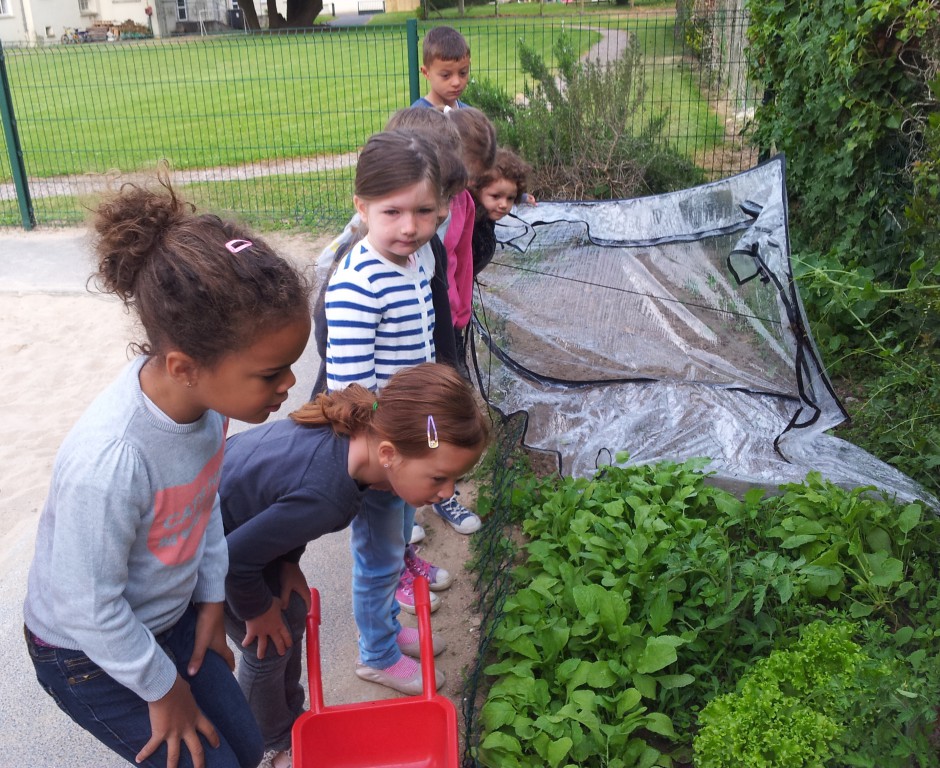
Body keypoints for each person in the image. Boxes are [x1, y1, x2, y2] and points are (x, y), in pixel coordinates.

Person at [22, 175, 312, 768]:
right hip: (86, 656)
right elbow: (88, 607)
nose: (288, 385)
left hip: (168, 617)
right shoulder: (112, 461)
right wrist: (163, 687)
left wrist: (209, 602)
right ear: (184, 365)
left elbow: (202, 507)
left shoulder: (205, 411)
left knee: (250, 746)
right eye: (270, 373)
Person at [220, 362, 490, 768]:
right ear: (388, 454)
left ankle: (286, 721)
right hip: (207, 551)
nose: (447, 492)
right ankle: (268, 742)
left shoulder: (354, 444)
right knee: (268, 644)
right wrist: (256, 611)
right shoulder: (328, 495)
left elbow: (281, 508)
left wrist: (289, 561)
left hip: (239, 533)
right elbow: (233, 558)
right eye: (438, 478)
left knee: (291, 615)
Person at [323, 129, 456, 694]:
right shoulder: (356, 285)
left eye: (424, 211)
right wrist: (394, 462)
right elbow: (351, 394)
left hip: (409, 438)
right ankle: (375, 652)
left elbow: (421, 351)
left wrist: (428, 440)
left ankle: (387, 629)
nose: (410, 227)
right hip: (380, 453)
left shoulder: (419, 256)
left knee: (401, 536)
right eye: (392, 211)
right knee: (377, 556)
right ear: (361, 207)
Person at [469, 146, 533, 277]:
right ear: (476, 190)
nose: (504, 205)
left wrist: (523, 197)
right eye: (496, 196)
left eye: (510, 198)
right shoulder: (466, 223)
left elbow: (505, 190)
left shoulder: (488, 214)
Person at [412, 25, 472, 111]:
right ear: (426, 72)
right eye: (446, 75)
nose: (456, 82)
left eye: (463, 73)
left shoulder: (468, 115)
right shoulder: (417, 117)